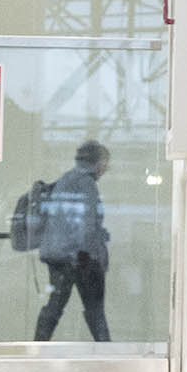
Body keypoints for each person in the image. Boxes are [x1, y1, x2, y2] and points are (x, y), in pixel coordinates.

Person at [33, 142, 112, 342]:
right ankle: (107, 350)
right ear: (97, 161)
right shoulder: (85, 183)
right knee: (94, 308)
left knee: (56, 304)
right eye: (105, 161)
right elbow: (84, 223)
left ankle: (38, 345)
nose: (106, 167)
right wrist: (87, 254)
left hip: (59, 254)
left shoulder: (67, 179)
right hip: (77, 256)